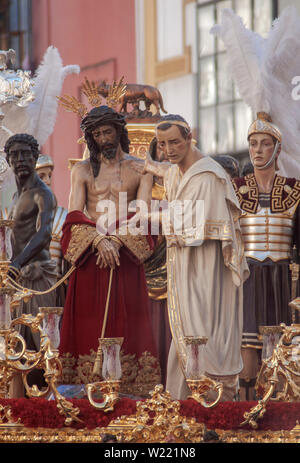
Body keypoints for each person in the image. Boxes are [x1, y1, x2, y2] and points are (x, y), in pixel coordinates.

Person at [130, 114, 249, 401]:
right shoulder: (178, 170)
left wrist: (147, 215)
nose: (169, 150)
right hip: (186, 267)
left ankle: (208, 404)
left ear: (189, 137)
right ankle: (181, 407)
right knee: (184, 335)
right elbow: (168, 172)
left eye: (174, 142)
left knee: (200, 335)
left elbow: (190, 222)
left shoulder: (207, 176)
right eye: (162, 144)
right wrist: (150, 167)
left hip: (205, 271)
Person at [59, 105, 161, 396]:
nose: (104, 138)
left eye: (108, 131)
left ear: (119, 131)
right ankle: (83, 391)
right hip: (92, 258)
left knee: (128, 324)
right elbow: (75, 215)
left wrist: (116, 240)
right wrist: (98, 240)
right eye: (97, 133)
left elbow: (143, 213)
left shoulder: (140, 168)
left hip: (124, 259)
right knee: (87, 326)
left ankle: (131, 392)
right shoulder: (81, 171)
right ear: (91, 137)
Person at [231, 112, 300, 400]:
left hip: (284, 278)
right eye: (253, 144)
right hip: (248, 276)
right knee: (247, 348)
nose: (257, 150)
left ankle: (281, 412)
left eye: (264, 144)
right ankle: (247, 412)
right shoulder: (235, 189)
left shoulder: (294, 190)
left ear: (278, 149)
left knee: (282, 349)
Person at [5, 133, 57, 394]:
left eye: (26, 154)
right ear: (8, 159)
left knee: (42, 344)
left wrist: (16, 263)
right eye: (15, 154)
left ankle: (47, 404)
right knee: (15, 344)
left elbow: (43, 234)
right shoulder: (15, 197)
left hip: (39, 278)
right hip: (17, 278)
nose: (21, 159)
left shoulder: (43, 194)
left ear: (35, 157)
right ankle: (17, 404)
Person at [143, 137, 172, 386]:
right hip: (149, 269)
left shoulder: (185, 185)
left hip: (178, 268)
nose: (165, 152)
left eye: (170, 145)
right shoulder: (146, 189)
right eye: (160, 147)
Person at [35, 154, 68, 305]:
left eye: (49, 175)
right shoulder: (7, 217)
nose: (48, 181)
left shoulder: (64, 217)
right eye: (42, 176)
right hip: (17, 295)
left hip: (53, 296)